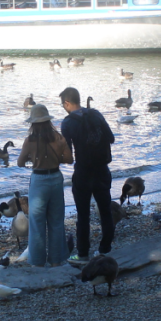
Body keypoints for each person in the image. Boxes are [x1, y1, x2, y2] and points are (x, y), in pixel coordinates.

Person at [59, 86, 117, 263]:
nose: (63, 107)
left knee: (83, 215)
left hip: (83, 172)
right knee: (105, 211)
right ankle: (105, 250)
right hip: (102, 170)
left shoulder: (67, 123)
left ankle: (83, 255)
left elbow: (68, 154)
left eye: (63, 104)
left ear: (67, 103)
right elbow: (111, 138)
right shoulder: (96, 114)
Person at [17, 105, 73, 267]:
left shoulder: (29, 141)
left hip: (39, 180)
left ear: (33, 123)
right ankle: (56, 260)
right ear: (48, 121)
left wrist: (33, 159)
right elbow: (69, 159)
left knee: (37, 223)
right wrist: (55, 160)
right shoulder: (60, 138)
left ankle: (37, 262)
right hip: (56, 178)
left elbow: (20, 162)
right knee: (56, 221)